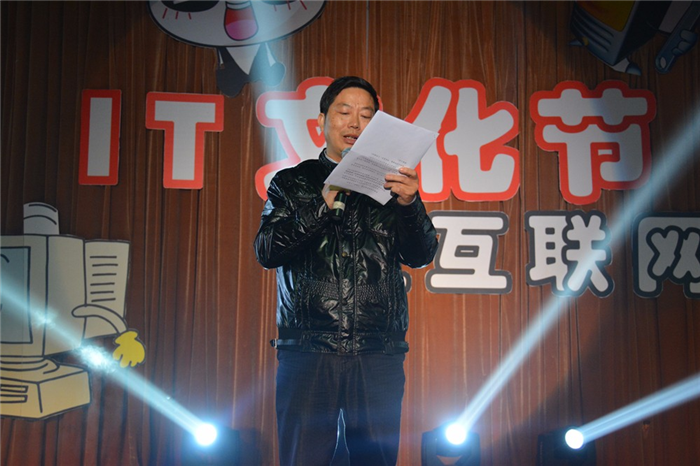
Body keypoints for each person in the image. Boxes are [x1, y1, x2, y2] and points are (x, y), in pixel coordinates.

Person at [254, 76, 438, 466]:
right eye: (344, 112)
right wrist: (320, 205)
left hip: (377, 352)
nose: (355, 123)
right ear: (322, 120)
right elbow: (267, 251)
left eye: (366, 116)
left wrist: (409, 204)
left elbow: (421, 255)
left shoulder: (394, 188)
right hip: (309, 351)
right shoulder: (292, 182)